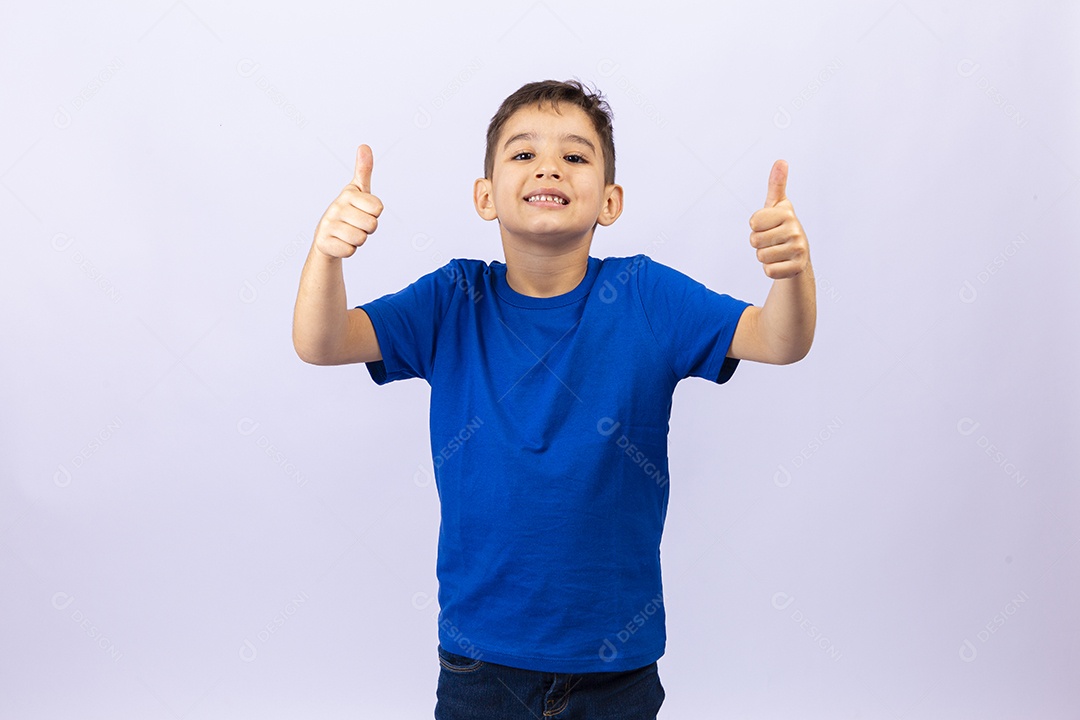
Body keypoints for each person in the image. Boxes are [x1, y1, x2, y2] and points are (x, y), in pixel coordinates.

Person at [292, 79, 815, 719]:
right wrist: (326, 256)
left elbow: (779, 339)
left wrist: (791, 271)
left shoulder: (646, 295)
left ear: (610, 200)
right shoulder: (454, 299)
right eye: (522, 154)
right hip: (480, 666)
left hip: (615, 670)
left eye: (575, 156)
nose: (549, 167)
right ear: (484, 197)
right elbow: (321, 341)